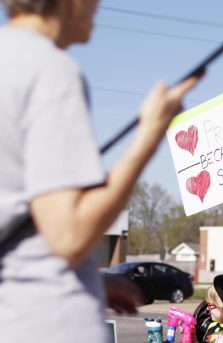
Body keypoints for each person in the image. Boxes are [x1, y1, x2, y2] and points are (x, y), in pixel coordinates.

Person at [0, 1, 201, 342]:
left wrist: (95, 282)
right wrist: (150, 135)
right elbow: (69, 236)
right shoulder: (50, 69)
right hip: (49, 322)